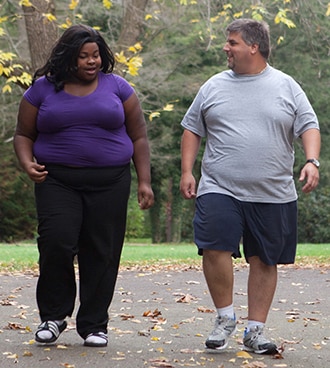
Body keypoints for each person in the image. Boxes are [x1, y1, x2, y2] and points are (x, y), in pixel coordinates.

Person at [180, 18, 320, 355]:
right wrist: (187, 170)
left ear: (254, 47)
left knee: (264, 259)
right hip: (219, 185)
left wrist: (312, 161)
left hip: (272, 192)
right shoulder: (213, 86)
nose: (226, 48)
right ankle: (225, 317)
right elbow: (192, 129)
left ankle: (255, 330)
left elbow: (309, 125)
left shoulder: (287, 86)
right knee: (214, 244)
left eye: (232, 42)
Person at [14, 24, 154, 348]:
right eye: (83, 56)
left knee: (102, 251)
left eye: (95, 55)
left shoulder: (118, 87)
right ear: (68, 58)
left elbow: (139, 136)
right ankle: (53, 316)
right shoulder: (42, 90)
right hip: (57, 180)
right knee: (56, 242)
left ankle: (94, 324)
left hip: (111, 181)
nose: (91, 62)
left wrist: (144, 181)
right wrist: (26, 162)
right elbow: (23, 134)